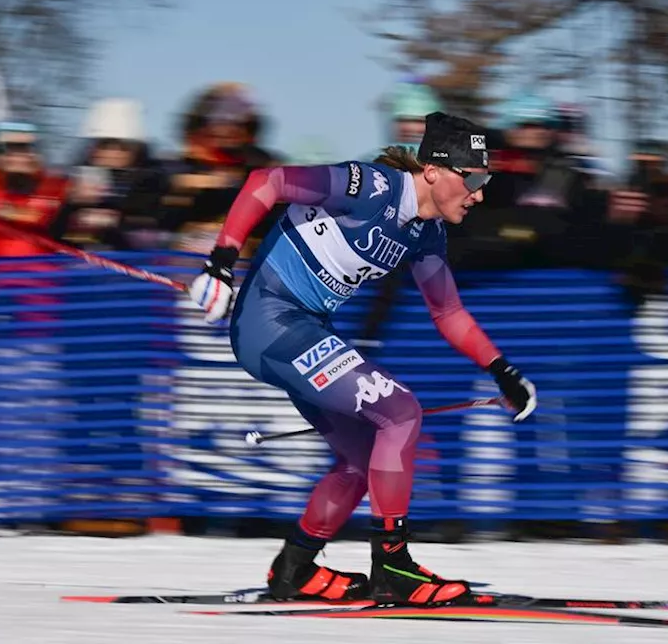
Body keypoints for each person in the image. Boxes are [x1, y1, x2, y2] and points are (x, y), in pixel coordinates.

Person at [187, 112, 538, 606]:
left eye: (486, 180)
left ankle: (294, 568)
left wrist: (502, 370)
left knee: (362, 455)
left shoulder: (426, 233)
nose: (479, 193)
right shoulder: (370, 187)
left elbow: (449, 312)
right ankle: (393, 566)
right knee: (400, 412)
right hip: (269, 322)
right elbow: (267, 182)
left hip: (304, 327)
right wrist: (220, 262)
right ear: (433, 171)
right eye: (473, 178)